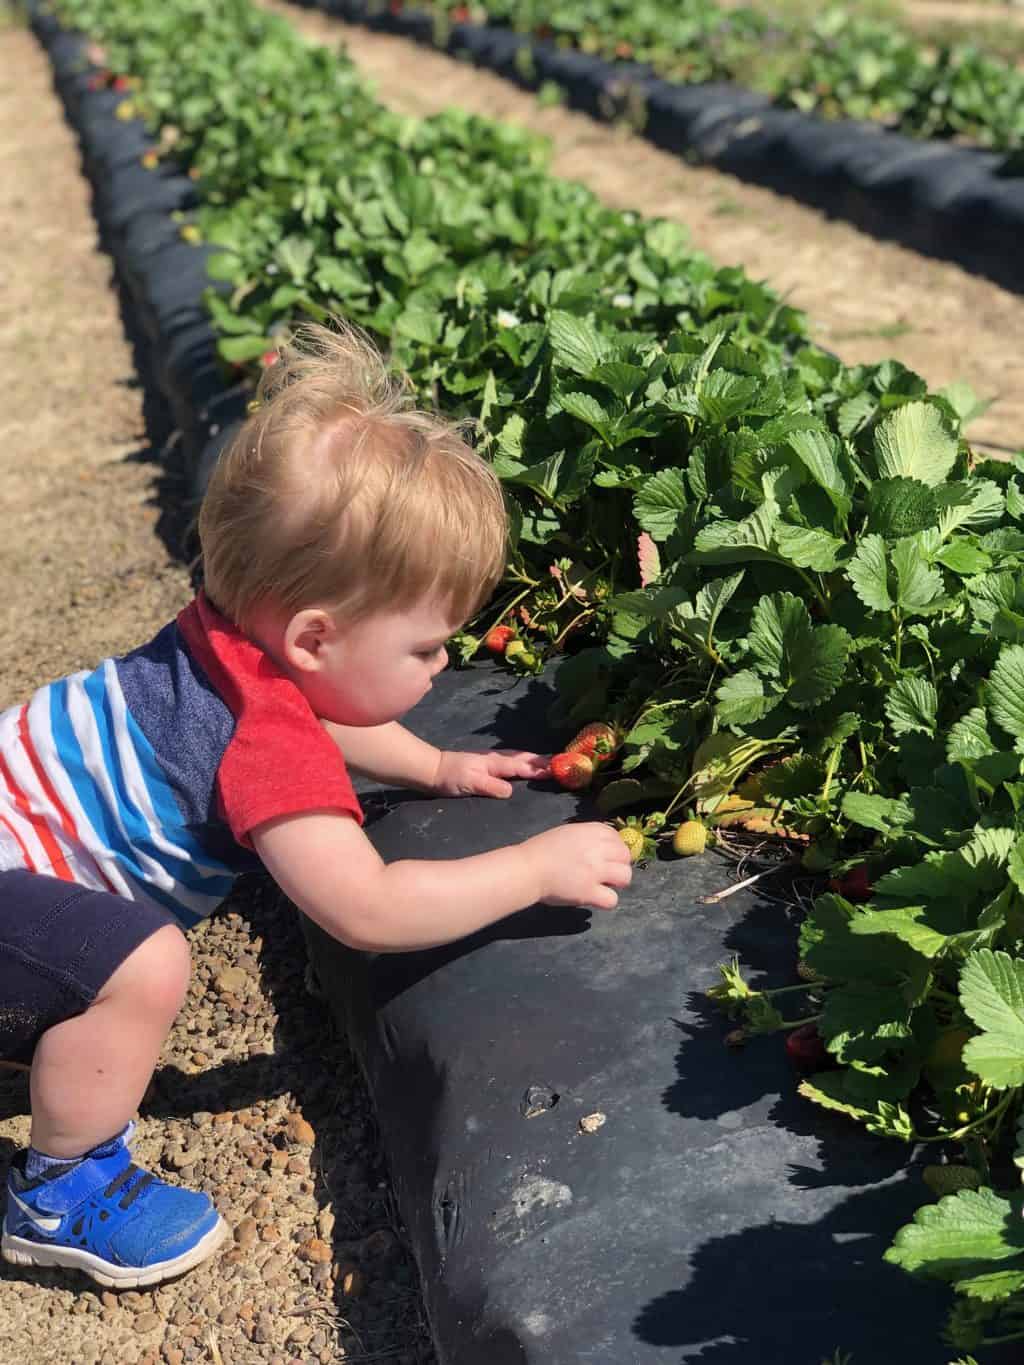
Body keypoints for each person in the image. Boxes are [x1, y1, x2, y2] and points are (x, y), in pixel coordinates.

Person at [0, 320, 632, 1289]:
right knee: (138, 964)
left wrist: (432, 766)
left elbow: (321, 713)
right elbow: (366, 910)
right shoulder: (266, 744)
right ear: (312, 637)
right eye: (426, 648)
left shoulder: (221, 641)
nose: (445, 663)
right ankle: (63, 1188)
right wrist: (533, 868)